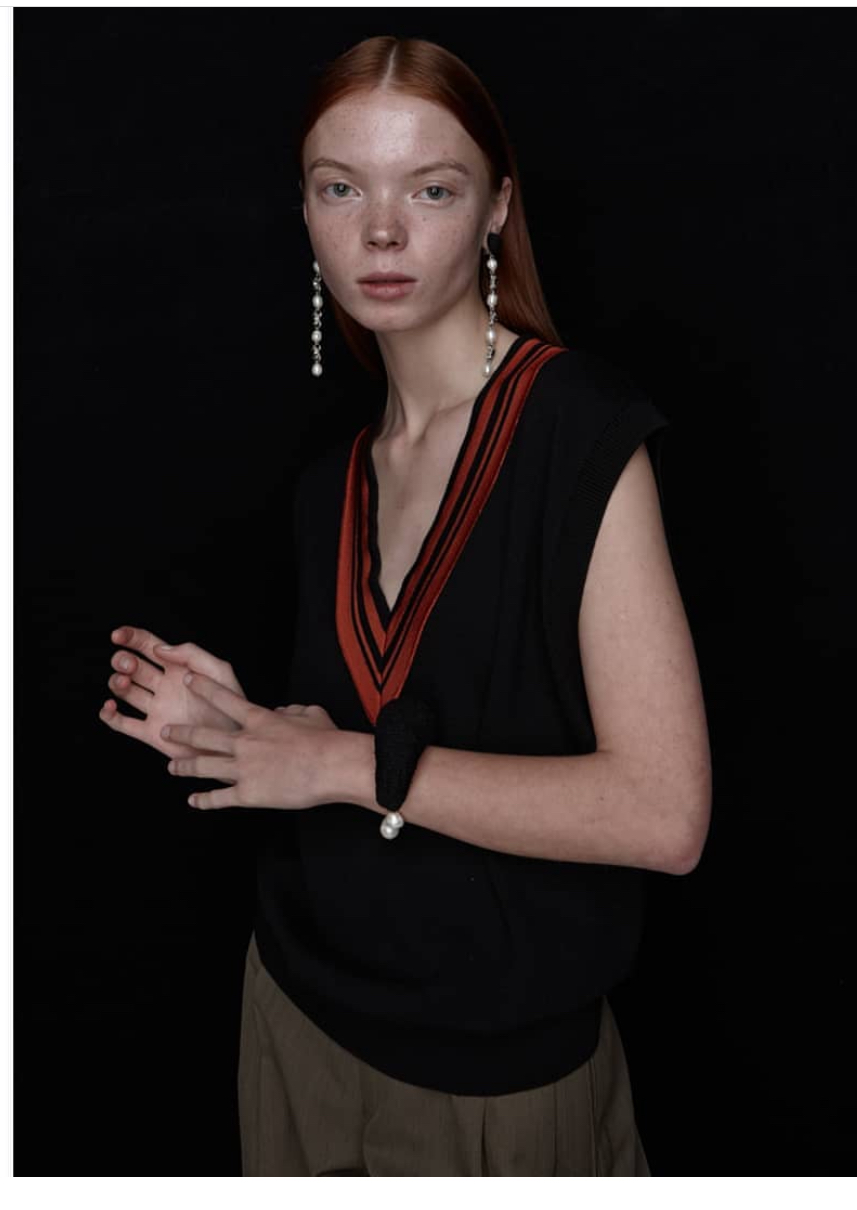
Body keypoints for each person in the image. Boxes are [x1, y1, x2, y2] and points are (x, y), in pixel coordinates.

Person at [99, 35, 712, 1177]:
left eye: (430, 188)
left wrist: (339, 767)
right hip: (293, 1019)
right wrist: (249, 733)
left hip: (495, 1081)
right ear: (306, 210)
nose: (381, 232)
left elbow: (663, 815)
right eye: (342, 189)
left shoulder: (577, 428)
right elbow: (363, 747)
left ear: (496, 208)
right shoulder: (331, 483)